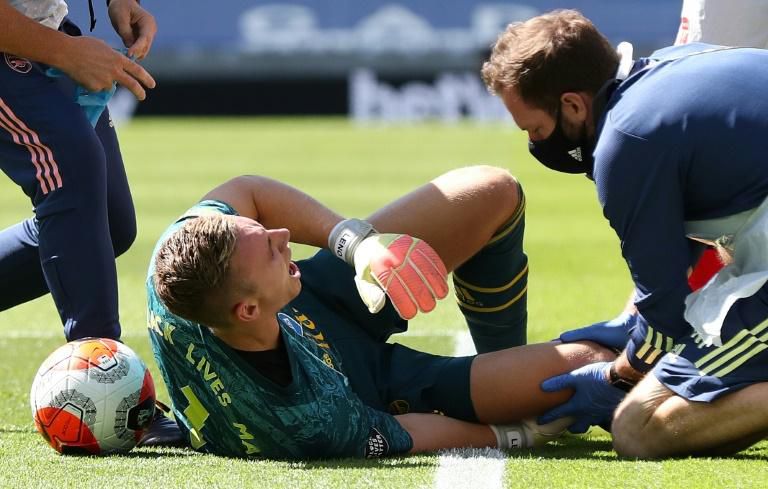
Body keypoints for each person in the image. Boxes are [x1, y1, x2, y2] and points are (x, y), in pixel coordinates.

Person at [146, 165, 615, 459]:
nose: (283, 233)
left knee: (491, 189)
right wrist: (512, 434)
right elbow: (406, 433)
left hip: (315, 299)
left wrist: (356, 245)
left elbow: (248, 190)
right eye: (270, 248)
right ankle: (512, 382)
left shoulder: (178, 254)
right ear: (247, 308)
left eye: (262, 230)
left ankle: (505, 354)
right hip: (367, 386)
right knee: (591, 366)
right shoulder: (306, 422)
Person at [481, 9, 768, 458]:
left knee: (638, 428)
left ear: (573, 105)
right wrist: (643, 326)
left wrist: (619, 374)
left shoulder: (625, 143)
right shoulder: (672, 63)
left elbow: (668, 317)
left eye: (536, 129)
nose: (537, 143)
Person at [0, 0, 178, 445]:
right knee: (72, 171)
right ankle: (111, 387)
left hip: (44, 34)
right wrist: (64, 50)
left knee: (109, 224)